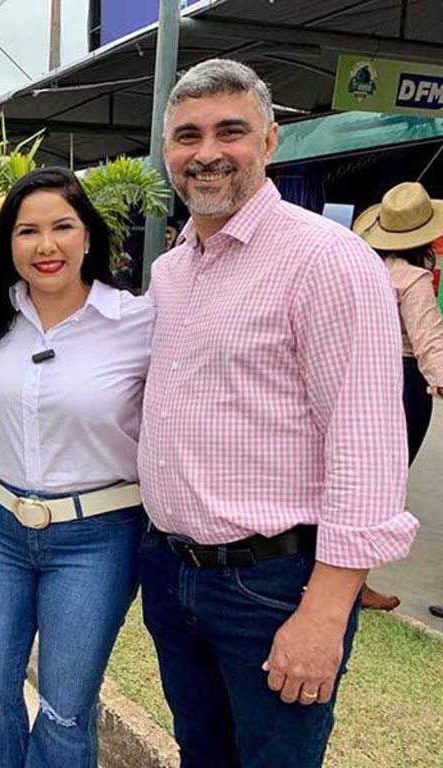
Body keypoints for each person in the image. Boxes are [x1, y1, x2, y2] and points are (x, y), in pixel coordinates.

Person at [138, 59, 418, 768]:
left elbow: (366, 446)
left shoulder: (326, 259)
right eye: (187, 135)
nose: (206, 153)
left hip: (272, 585)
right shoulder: (173, 268)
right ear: (167, 149)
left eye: (230, 131)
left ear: (269, 143)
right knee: (201, 752)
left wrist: (325, 614)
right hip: (174, 576)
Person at [0, 167, 153, 767]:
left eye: (62, 226)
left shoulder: (139, 323)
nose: (46, 245)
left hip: (98, 538)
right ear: (7, 244)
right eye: (27, 230)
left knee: (65, 711)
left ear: (88, 236)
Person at [353, 182, 443, 614]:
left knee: (355, 475)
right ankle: (356, 579)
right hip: (403, 385)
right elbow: (429, 341)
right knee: (384, 485)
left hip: (360, 377)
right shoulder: (415, 279)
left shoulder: (363, 269)